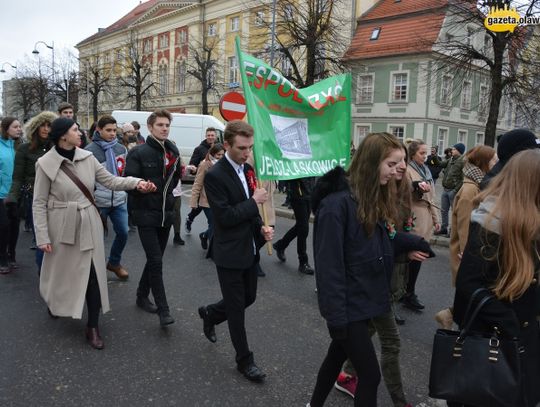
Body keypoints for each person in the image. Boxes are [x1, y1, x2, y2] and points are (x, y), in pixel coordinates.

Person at [308, 132, 433, 407]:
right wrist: (336, 318)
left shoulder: (370, 197)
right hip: (349, 306)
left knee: (335, 357)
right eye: (391, 164)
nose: (397, 171)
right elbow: (329, 269)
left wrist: (413, 242)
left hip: (367, 299)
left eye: (400, 164)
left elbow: (380, 241)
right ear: (370, 162)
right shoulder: (336, 206)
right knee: (370, 375)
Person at [33, 117, 154, 349]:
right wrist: (43, 236)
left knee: (93, 275)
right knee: (62, 271)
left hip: (88, 221)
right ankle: (56, 301)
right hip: (60, 224)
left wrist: (137, 183)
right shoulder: (45, 164)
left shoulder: (87, 158)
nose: (80, 133)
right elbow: (38, 203)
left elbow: (111, 180)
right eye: (75, 130)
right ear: (62, 136)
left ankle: (93, 326)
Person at [451, 149, 540, 407]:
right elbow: (469, 283)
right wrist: (510, 324)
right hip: (494, 341)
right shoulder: (491, 223)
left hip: (525, 340)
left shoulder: (532, 221)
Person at [333, 142, 415, 407]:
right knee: (387, 349)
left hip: (383, 282)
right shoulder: (345, 202)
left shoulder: (393, 187)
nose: (401, 167)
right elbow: (337, 261)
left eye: (404, 160)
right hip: (371, 288)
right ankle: (400, 401)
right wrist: (335, 312)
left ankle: (343, 375)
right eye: (393, 163)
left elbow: (388, 237)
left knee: (346, 347)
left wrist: (407, 245)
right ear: (374, 162)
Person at [197, 120, 273, 382]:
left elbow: (249, 210)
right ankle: (245, 361)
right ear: (227, 145)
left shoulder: (248, 169)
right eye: (242, 148)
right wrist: (254, 202)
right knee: (237, 310)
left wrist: (262, 228)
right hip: (229, 252)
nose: (247, 153)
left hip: (249, 247)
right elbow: (226, 216)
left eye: (250, 147)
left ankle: (211, 313)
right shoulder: (216, 175)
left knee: (248, 298)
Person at [124, 109, 182, 327]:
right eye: (160, 125)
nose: (164, 128)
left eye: (167, 125)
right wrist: (141, 187)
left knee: (154, 259)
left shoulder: (173, 151)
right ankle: (163, 310)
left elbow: (176, 179)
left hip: (165, 214)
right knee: (156, 261)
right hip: (145, 213)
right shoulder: (138, 153)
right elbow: (128, 183)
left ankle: (141, 295)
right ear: (150, 127)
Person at [435, 146, 497, 329]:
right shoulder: (471, 189)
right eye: (493, 160)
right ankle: (452, 320)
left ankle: (450, 316)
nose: (496, 163)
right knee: (471, 296)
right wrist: (468, 255)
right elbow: (464, 227)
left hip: (470, 253)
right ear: (482, 162)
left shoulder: (479, 184)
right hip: (467, 253)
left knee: (470, 297)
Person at [5, 111, 56, 271]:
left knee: (58, 241)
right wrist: (12, 197)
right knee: (42, 240)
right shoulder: (24, 149)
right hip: (36, 199)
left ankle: (56, 276)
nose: (46, 129)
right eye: (43, 125)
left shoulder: (58, 148)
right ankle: (43, 275)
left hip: (58, 200)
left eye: (49, 125)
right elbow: (18, 177)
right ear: (35, 127)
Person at [85, 115, 131, 280]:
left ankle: (114, 262)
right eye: (108, 130)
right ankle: (93, 268)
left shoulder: (121, 149)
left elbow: (124, 173)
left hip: (118, 199)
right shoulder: (89, 151)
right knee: (96, 238)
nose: (112, 134)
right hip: (99, 202)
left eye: (114, 130)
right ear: (99, 130)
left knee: (123, 232)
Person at [402, 140, 440, 311]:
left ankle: (409, 291)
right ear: (412, 154)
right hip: (415, 216)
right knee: (411, 257)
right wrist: (417, 188)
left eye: (426, 153)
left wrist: (436, 219)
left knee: (419, 257)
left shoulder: (426, 170)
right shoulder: (407, 170)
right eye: (421, 153)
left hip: (426, 218)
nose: (425, 156)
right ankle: (407, 292)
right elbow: (404, 192)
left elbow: (432, 197)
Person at [272, 176, 316, 274]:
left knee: (300, 226)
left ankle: (280, 245)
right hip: (298, 195)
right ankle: (303, 262)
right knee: (303, 228)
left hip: (309, 193)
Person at [189, 143, 225, 251]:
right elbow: (198, 184)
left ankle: (204, 235)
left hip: (220, 201)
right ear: (213, 154)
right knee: (214, 224)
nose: (221, 157)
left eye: (223, 155)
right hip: (207, 201)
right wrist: (193, 202)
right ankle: (213, 249)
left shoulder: (224, 164)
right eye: (218, 155)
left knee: (218, 225)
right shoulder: (204, 164)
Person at [0, 117, 23, 274]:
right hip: (1, 194)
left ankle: (11, 255)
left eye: (19, 126)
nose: (19, 129)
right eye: (15, 127)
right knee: (3, 226)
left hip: (16, 193)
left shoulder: (18, 146)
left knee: (14, 225)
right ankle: (2, 258)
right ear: (6, 128)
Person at [185, 127, 217, 233]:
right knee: (198, 207)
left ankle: (208, 235)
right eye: (208, 135)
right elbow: (193, 164)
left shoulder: (220, 148)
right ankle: (190, 219)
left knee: (212, 215)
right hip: (203, 184)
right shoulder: (199, 149)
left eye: (212, 135)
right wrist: (194, 168)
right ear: (206, 136)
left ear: (216, 136)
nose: (210, 137)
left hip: (216, 186)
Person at [436, 143, 466, 236]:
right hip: (445, 189)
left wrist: (455, 190)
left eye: (454, 149)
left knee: (454, 212)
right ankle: (444, 228)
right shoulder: (451, 159)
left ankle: (453, 231)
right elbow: (440, 164)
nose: (451, 151)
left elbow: (463, 178)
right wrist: (435, 155)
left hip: (453, 191)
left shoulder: (463, 161)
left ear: (459, 151)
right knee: (443, 210)